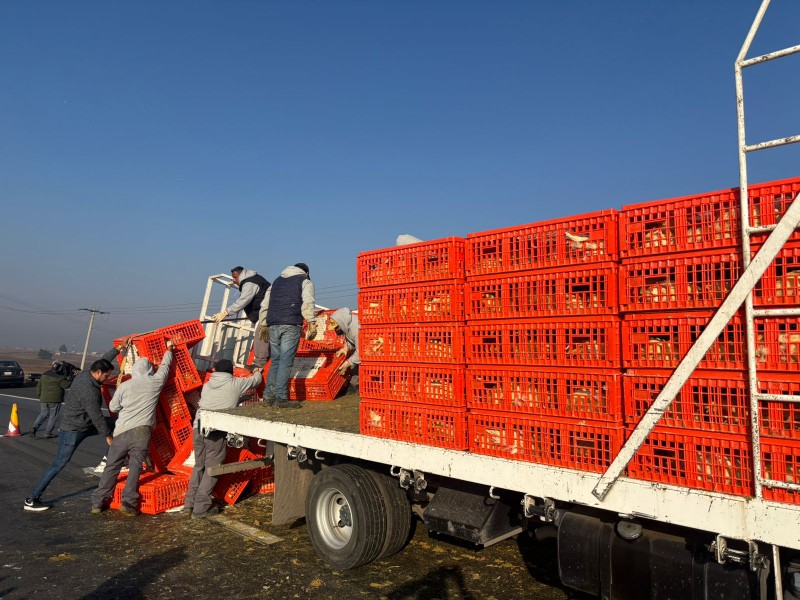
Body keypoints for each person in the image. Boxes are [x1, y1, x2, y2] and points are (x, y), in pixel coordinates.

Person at [24, 340, 131, 512]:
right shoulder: (88, 390)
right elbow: (96, 416)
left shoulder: (87, 373)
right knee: (59, 463)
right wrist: (108, 436)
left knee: (120, 423)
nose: (107, 379)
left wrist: (118, 349)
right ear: (97, 373)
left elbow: (104, 359)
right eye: (105, 376)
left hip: (84, 423)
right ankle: (33, 498)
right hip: (73, 430)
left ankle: (112, 459)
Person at [90, 341, 175, 516]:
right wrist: (169, 350)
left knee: (112, 466)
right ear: (149, 370)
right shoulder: (155, 382)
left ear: (135, 371)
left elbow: (113, 408)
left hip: (121, 430)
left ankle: (98, 502)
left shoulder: (125, 386)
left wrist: (125, 406)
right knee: (136, 466)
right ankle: (128, 503)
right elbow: (165, 368)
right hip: (142, 431)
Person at [184, 359, 262, 519]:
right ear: (230, 371)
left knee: (199, 466)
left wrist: (238, 400)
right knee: (213, 468)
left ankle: (189, 504)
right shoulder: (235, 384)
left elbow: (220, 400)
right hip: (215, 431)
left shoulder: (207, 385)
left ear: (215, 371)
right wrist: (256, 371)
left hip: (198, 428)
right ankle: (200, 508)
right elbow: (256, 381)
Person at [258, 263, 316, 408]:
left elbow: (265, 304)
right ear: (307, 272)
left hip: (273, 324)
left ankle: (268, 396)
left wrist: (264, 323)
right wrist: (311, 321)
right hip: (290, 324)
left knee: (276, 360)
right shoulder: (305, 280)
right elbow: (308, 302)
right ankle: (281, 398)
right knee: (285, 361)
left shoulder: (276, 281)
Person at [212, 267, 271, 370]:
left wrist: (226, 312)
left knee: (261, 335)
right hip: (268, 311)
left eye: (235, 277)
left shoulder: (249, 283)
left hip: (269, 311)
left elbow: (243, 301)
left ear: (241, 275)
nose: (233, 280)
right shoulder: (254, 279)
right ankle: (265, 362)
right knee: (264, 337)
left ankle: (260, 364)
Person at [31, 362, 73, 439]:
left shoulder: (44, 375)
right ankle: (47, 433)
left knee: (43, 414)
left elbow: (38, 386)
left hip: (43, 398)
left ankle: (34, 429)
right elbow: (66, 385)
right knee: (53, 416)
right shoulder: (60, 377)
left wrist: (40, 396)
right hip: (55, 399)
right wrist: (70, 378)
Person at [329, 308, 360, 393]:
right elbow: (351, 341)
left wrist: (348, 363)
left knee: (355, 364)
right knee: (354, 365)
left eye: (336, 327)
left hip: (373, 350)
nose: (336, 330)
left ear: (341, 323)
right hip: (362, 348)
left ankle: (359, 386)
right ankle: (354, 385)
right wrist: (346, 348)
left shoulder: (356, 328)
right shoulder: (346, 325)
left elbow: (361, 351)